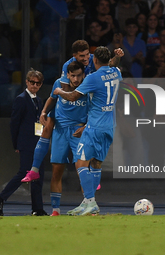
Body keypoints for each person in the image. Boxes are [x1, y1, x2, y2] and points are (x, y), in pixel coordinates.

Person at [21, 40, 124, 183]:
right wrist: (44, 111)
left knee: (90, 139)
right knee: (47, 127)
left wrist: (117, 56)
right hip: (66, 103)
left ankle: (91, 182)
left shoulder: (94, 61)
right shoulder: (68, 66)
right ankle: (34, 170)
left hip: (85, 102)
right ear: (74, 56)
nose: (86, 58)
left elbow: (109, 65)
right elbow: (65, 90)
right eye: (82, 56)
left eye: (87, 54)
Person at [53, 46, 123, 216]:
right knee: (96, 163)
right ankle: (87, 203)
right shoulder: (117, 72)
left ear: (95, 61)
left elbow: (73, 96)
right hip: (110, 126)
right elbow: (113, 65)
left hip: (95, 126)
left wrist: (59, 91)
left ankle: (91, 202)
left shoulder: (92, 78)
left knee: (81, 162)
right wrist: (117, 57)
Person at [0, 69, 47, 216]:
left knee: (38, 175)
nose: (35, 85)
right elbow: (14, 123)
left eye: (38, 83)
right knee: (24, 172)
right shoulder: (21, 99)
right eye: (32, 82)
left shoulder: (38, 100)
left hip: (37, 142)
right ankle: (0, 198)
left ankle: (37, 208)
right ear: (27, 82)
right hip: (26, 142)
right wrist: (16, 144)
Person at [46, 61, 88, 216]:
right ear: (68, 75)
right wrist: (43, 113)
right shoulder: (59, 83)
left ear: (83, 74)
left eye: (78, 75)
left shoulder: (88, 85)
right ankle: (55, 210)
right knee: (57, 171)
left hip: (79, 131)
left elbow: (95, 110)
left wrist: (85, 127)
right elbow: (51, 99)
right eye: (73, 76)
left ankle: (89, 206)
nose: (76, 79)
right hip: (60, 131)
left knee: (83, 170)